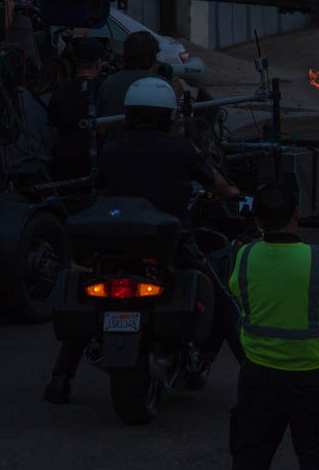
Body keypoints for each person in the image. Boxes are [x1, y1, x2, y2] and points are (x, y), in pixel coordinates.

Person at [44, 77, 241, 405]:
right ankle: (251, 377)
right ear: (169, 114)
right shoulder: (181, 148)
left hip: (112, 245)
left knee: (87, 294)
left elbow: (102, 188)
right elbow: (217, 184)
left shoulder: (114, 148)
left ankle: (60, 379)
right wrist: (231, 192)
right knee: (222, 299)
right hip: (168, 245)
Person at [219, 181, 319, 470]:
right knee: (317, 466)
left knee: (249, 462)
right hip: (312, 379)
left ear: (257, 220)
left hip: (259, 377)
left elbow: (236, 292)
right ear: (296, 216)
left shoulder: (243, 257)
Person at [97, 30, 181, 141]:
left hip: (116, 149)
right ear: (154, 58)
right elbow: (173, 130)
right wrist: (175, 95)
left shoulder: (109, 82)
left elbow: (101, 128)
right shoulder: (163, 86)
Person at [46, 37, 104, 181]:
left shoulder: (60, 93)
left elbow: (54, 134)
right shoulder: (105, 89)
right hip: (101, 164)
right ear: (98, 63)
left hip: (69, 166)